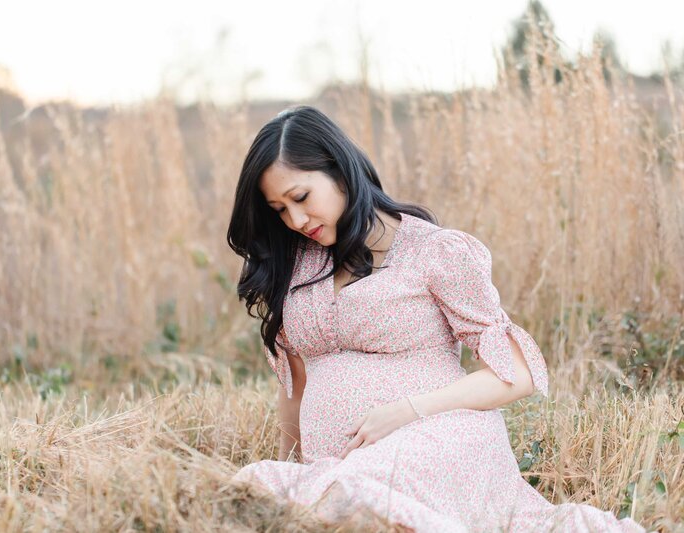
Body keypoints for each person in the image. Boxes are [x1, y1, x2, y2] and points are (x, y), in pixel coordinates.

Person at [226, 105, 645, 532]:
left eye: (300, 198)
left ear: (340, 171)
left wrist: (407, 411)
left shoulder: (436, 253)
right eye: (279, 209)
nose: (295, 220)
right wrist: (287, 481)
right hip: (346, 465)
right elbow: (295, 386)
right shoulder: (295, 267)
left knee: (355, 493)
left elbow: (515, 373)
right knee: (256, 485)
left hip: (440, 437)